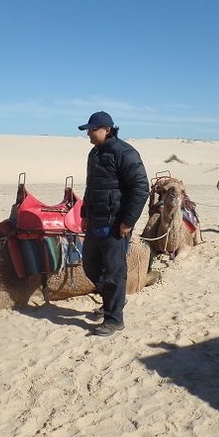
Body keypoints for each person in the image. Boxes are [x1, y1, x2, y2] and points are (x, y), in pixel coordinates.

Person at [78, 111, 149, 337]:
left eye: (92, 129)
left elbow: (141, 188)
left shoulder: (125, 153)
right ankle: (114, 299)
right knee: (89, 265)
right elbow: (92, 186)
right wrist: (85, 210)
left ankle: (114, 320)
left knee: (114, 273)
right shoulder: (94, 153)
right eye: (87, 129)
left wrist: (128, 222)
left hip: (116, 223)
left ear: (107, 129)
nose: (88, 133)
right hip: (96, 221)